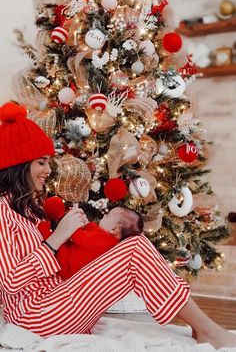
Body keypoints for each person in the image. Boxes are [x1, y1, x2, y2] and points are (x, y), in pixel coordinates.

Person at [0, 101, 235, 349]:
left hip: (54, 302)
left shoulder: (24, 207)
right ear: (19, 164)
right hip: (36, 317)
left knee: (134, 246)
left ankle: (204, 328)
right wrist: (56, 239)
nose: (48, 169)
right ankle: (207, 330)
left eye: (48, 161)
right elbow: (10, 282)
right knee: (134, 250)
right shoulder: (3, 214)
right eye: (41, 162)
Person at [38, 206, 144, 280]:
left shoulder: (104, 239)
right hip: (74, 262)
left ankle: (42, 229)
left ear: (113, 229)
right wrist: (86, 225)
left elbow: (79, 237)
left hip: (67, 266)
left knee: (54, 240)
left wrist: (75, 223)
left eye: (107, 216)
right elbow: (89, 235)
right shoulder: (109, 242)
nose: (103, 216)